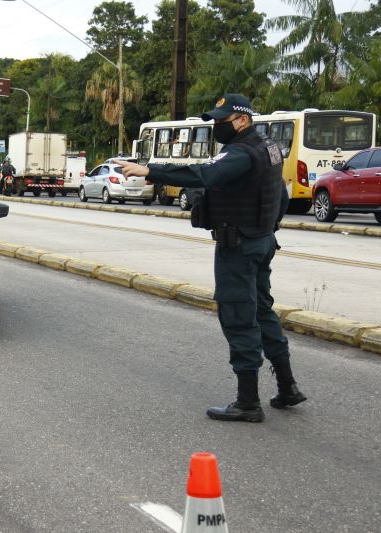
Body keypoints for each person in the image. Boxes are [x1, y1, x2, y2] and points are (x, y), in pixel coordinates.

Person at [113, 94, 306, 423]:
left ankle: (247, 403)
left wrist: (150, 170)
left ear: (242, 120)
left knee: (238, 316)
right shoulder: (268, 147)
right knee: (262, 311)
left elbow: (205, 175)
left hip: (239, 246)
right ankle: (287, 387)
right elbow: (281, 194)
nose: (217, 126)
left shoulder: (241, 152)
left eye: (222, 120)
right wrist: (268, 228)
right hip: (261, 240)